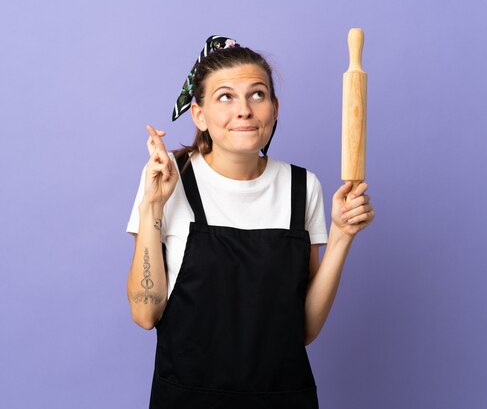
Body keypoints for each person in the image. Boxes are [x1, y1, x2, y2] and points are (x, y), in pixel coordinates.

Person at [126, 35, 375, 409]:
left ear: (274, 109)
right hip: (187, 400)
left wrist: (341, 236)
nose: (243, 110)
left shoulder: (301, 187)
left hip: (283, 398)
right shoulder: (167, 181)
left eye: (257, 95)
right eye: (225, 97)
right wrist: (152, 208)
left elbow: (303, 330)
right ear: (199, 114)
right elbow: (145, 313)